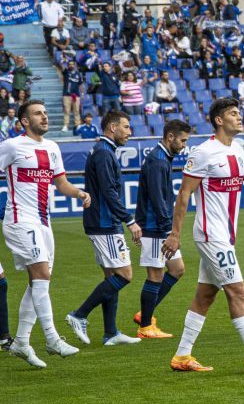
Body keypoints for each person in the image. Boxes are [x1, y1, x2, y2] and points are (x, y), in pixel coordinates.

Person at [162, 98, 244, 372]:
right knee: (237, 292)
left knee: (206, 295)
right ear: (219, 120)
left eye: (238, 113)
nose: (239, 117)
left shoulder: (238, 149)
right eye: (233, 113)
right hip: (210, 234)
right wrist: (175, 235)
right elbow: (184, 194)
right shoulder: (204, 152)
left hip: (225, 236)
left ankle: (182, 356)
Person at [1, 100, 90, 367]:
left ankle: (21, 342)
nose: (44, 117)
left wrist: (79, 193)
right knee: (41, 274)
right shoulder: (11, 146)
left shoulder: (52, 148)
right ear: (24, 121)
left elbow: (61, 183)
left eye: (45, 113)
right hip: (19, 220)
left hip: (43, 222)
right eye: (38, 114)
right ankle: (51, 338)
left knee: (38, 281)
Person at [66, 111, 142, 347]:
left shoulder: (104, 151)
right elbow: (109, 191)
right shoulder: (103, 153)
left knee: (111, 276)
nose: (130, 132)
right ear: (112, 127)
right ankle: (79, 315)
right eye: (126, 127)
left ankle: (111, 333)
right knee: (125, 275)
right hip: (104, 222)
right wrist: (129, 221)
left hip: (101, 221)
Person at [132, 120, 192, 339]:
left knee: (177, 269)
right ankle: (146, 327)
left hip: (158, 225)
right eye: (183, 140)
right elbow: (158, 199)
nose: (184, 145)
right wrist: (170, 231)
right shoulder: (157, 161)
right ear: (170, 137)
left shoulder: (162, 158)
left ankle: (144, 315)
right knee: (155, 275)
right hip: (154, 226)